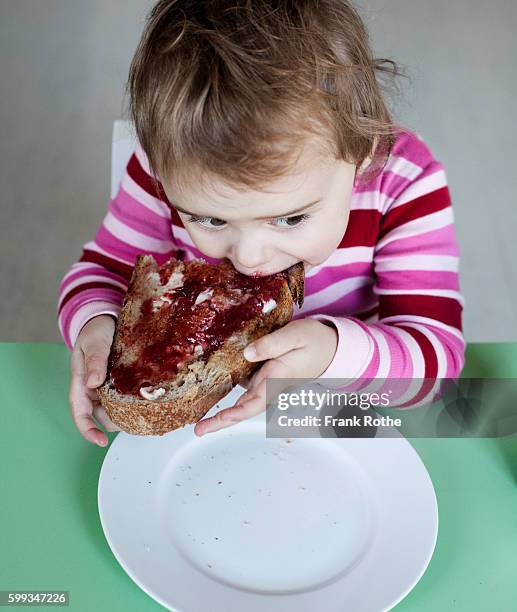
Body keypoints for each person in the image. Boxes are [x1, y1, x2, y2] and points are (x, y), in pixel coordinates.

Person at [57, 0, 465, 447]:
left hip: (348, 409)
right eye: (209, 219)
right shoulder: (163, 168)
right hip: (203, 422)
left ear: (362, 151)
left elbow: (436, 371)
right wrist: (96, 324)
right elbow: (101, 271)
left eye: (290, 218)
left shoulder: (405, 183)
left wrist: (331, 354)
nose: (250, 256)